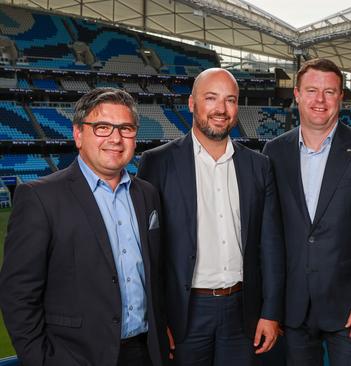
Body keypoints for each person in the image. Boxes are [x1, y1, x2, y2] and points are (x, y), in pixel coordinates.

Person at [0, 88, 167, 366]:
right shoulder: (40, 198)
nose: (115, 138)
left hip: (144, 352)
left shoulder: (147, 194)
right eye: (103, 127)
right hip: (75, 356)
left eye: (125, 128)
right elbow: (18, 295)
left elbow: (154, 274)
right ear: (78, 134)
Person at [138, 68, 284, 365]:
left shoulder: (259, 166)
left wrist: (270, 312)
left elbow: (270, 246)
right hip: (185, 312)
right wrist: (157, 317)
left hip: (243, 311)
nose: (221, 109)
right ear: (192, 103)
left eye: (230, 100)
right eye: (211, 98)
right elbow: (148, 252)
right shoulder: (157, 162)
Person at [262, 58, 351, 366]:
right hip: (293, 307)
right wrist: (271, 304)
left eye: (329, 92)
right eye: (311, 90)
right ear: (296, 94)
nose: (319, 100)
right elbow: (269, 234)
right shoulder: (274, 152)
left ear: (341, 96)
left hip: (350, 308)